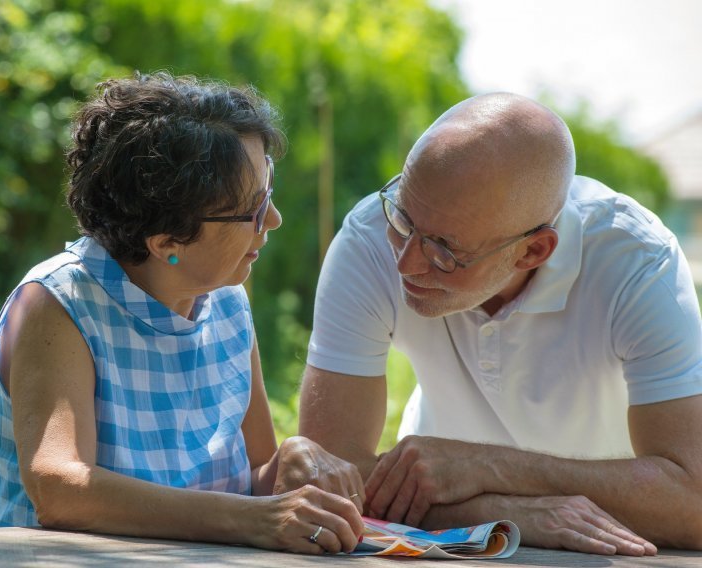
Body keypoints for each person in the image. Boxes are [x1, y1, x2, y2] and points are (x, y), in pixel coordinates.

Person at [0, 72, 364, 554]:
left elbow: (258, 476)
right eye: (253, 208)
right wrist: (248, 520)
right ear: (167, 242)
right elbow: (59, 488)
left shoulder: (226, 300)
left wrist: (291, 460)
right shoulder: (58, 304)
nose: (274, 220)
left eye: (269, 189)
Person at [299, 92, 702, 555]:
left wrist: (486, 466)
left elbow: (692, 505)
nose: (406, 263)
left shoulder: (637, 262)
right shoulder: (371, 238)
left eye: (444, 251)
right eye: (404, 219)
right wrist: (518, 515)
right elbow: (326, 477)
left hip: (608, 548)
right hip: (445, 545)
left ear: (533, 251)